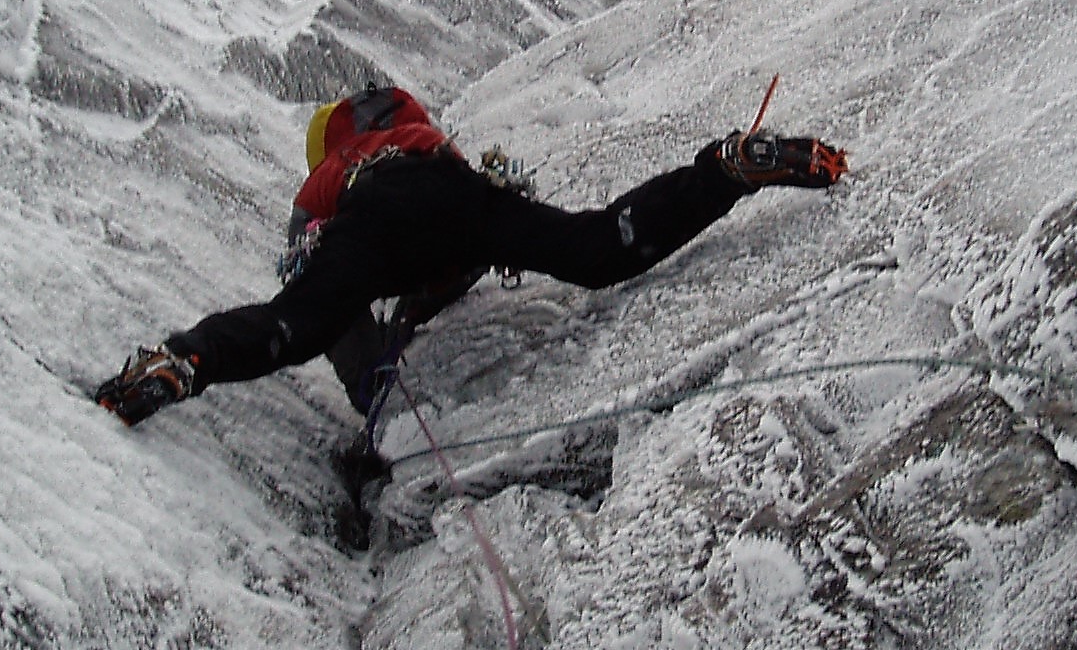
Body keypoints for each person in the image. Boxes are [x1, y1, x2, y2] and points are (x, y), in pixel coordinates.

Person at [95, 84, 848, 426]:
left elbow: (304, 264)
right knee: (596, 247)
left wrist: (369, 342)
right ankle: (723, 169)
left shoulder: (333, 170)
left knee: (298, 320)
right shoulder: (420, 135)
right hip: (459, 199)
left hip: (379, 213)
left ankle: (180, 362)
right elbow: (455, 249)